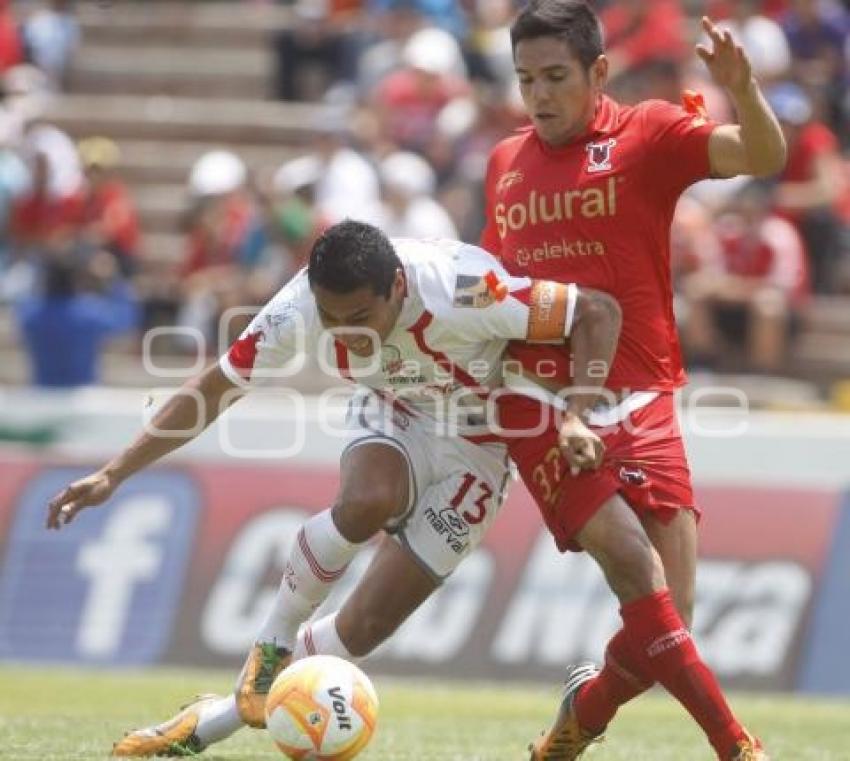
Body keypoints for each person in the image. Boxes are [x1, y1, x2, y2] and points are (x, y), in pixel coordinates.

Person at [46, 220, 622, 756]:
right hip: (395, 411)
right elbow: (215, 388)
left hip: (484, 442)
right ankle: (271, 644)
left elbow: (595, 312)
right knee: (367, 500)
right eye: (332, 316)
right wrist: (113, 472)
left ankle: (209, 721)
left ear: (398, 286)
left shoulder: (467, 289)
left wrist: (576, 414)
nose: (347, 331)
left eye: (360, 316)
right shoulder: (297, 309)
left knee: (365, 628)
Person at [479, 2, 787, 759]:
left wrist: (743, 90)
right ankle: (735, 743)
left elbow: (762, 156)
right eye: (526, 80)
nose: (540, 96)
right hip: (542, 401)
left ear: (598, 73)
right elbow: (491, 288)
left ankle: (582, 711)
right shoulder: (503, 164)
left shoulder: (647, 135)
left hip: (643, 395)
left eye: (556, 76)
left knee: (670, 612)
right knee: (631, 566)